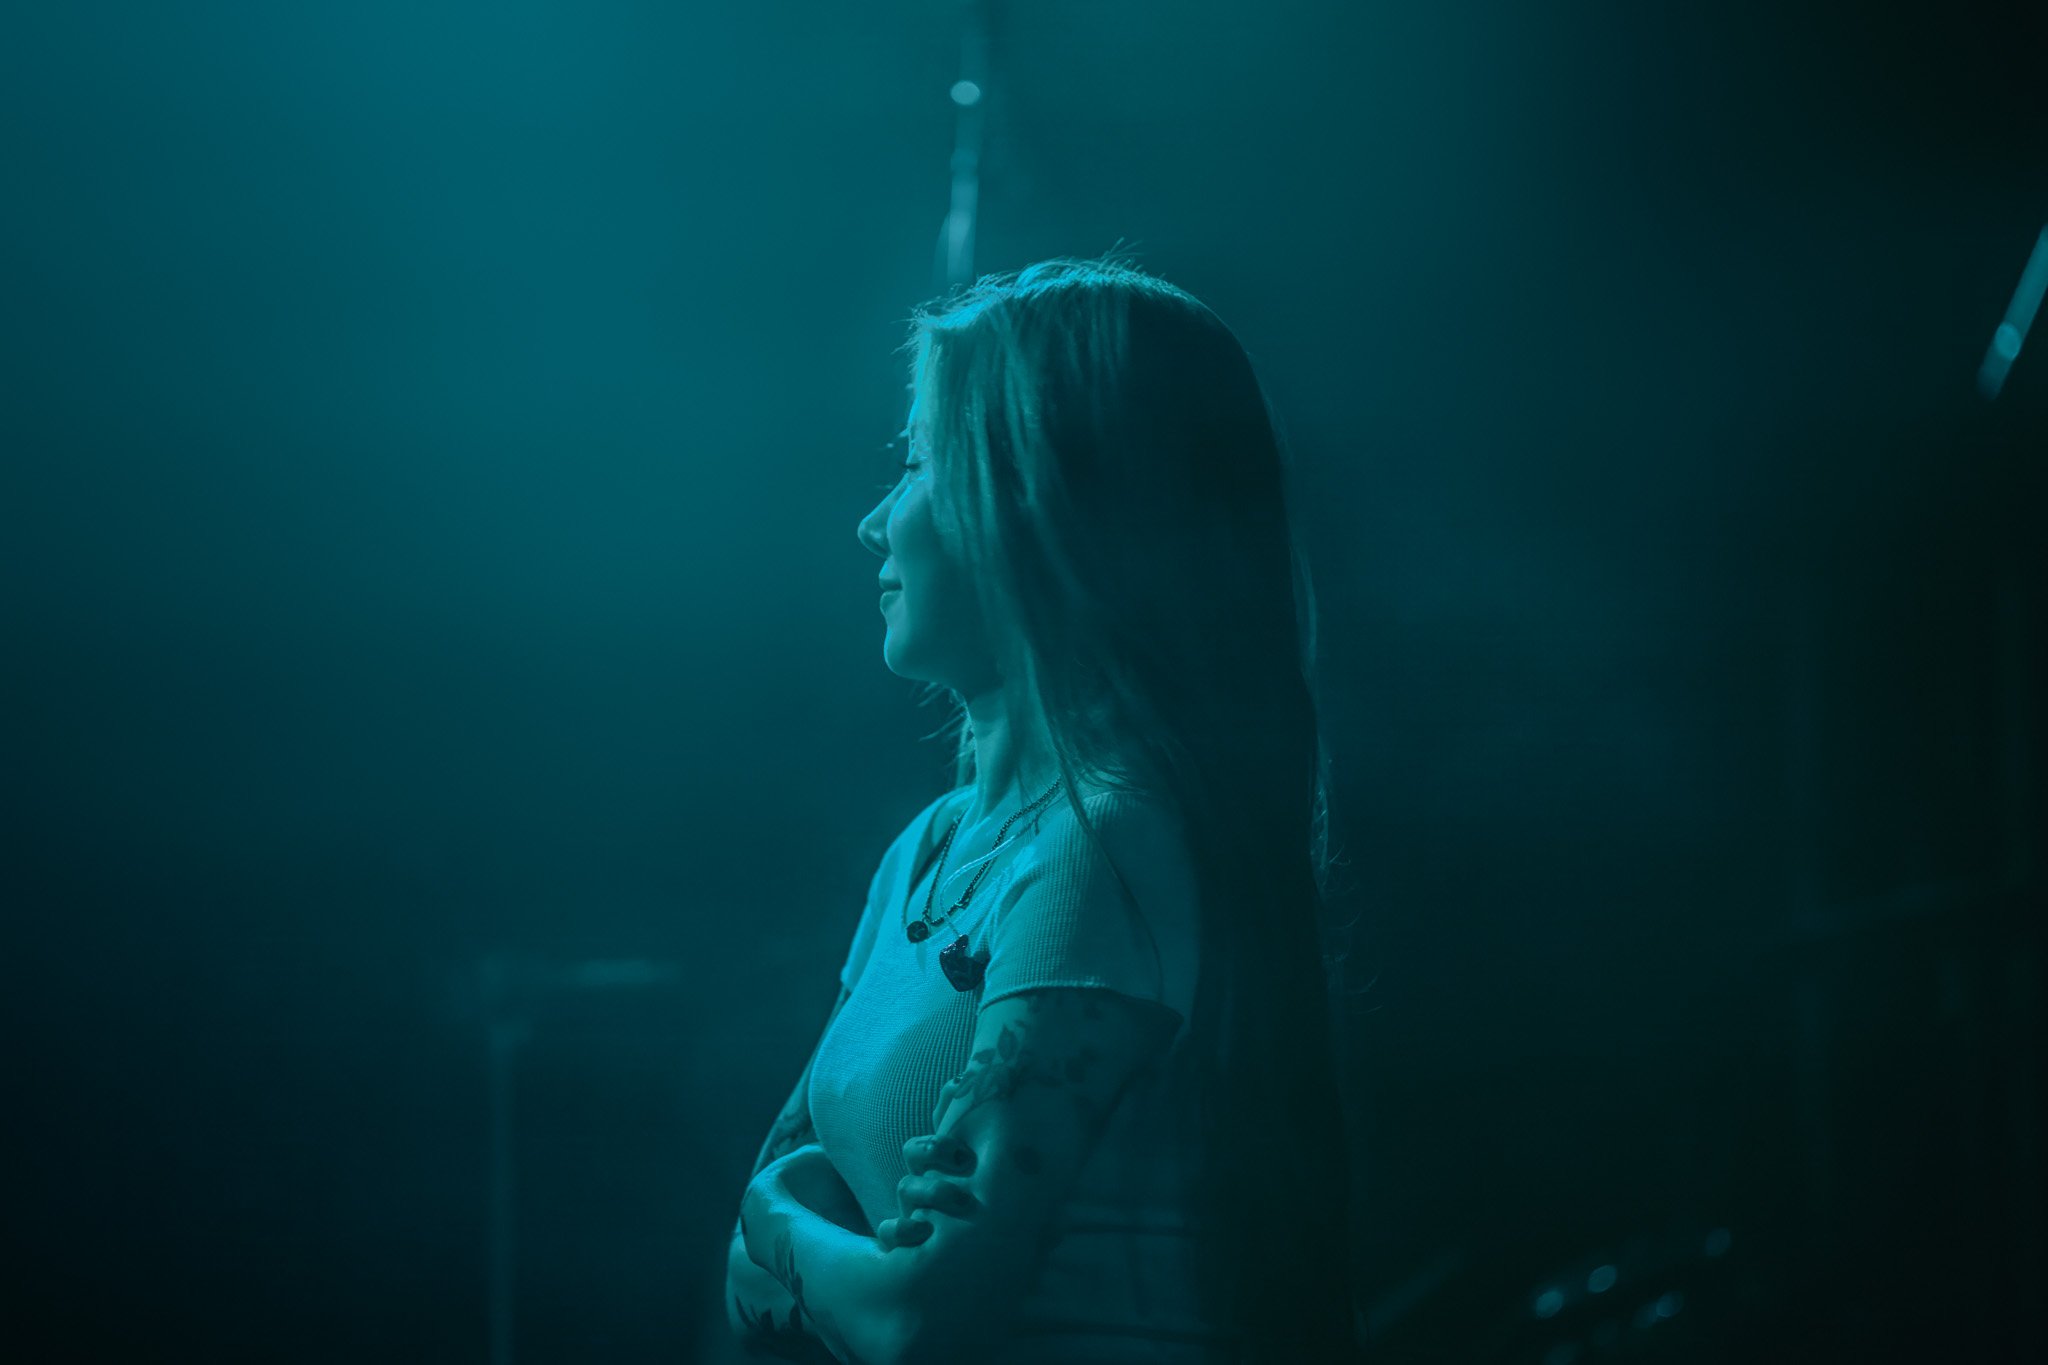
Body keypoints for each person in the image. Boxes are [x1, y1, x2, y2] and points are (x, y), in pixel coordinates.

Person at [727, 252, 1363, 1365]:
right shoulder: (924, 857)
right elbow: (757, 1292)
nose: (874, 523)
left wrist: (782, 1224)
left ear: (1038, 499)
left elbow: (908, 1314)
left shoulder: (1105, 847)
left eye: (917, 462)